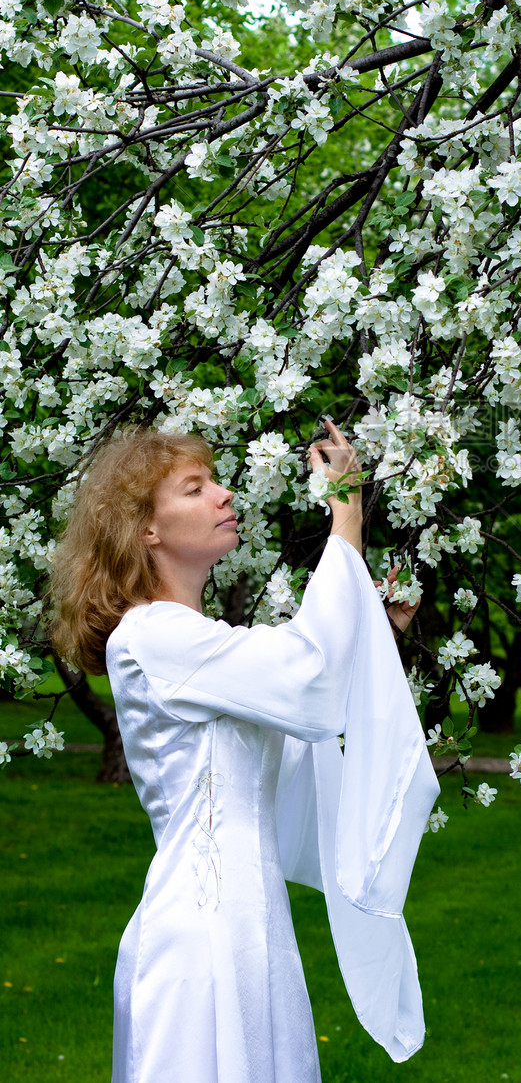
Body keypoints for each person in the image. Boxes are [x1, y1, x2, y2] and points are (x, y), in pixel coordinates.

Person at [50, 420, 440, 1083]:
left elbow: (300, 740)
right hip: (200, 941)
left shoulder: (199, 645)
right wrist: (346, 512)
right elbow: (305, 670)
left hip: (250, 934)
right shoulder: (152, 637)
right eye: (196, 488)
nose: (225, 496)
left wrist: (375, 629)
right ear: (146, 529)